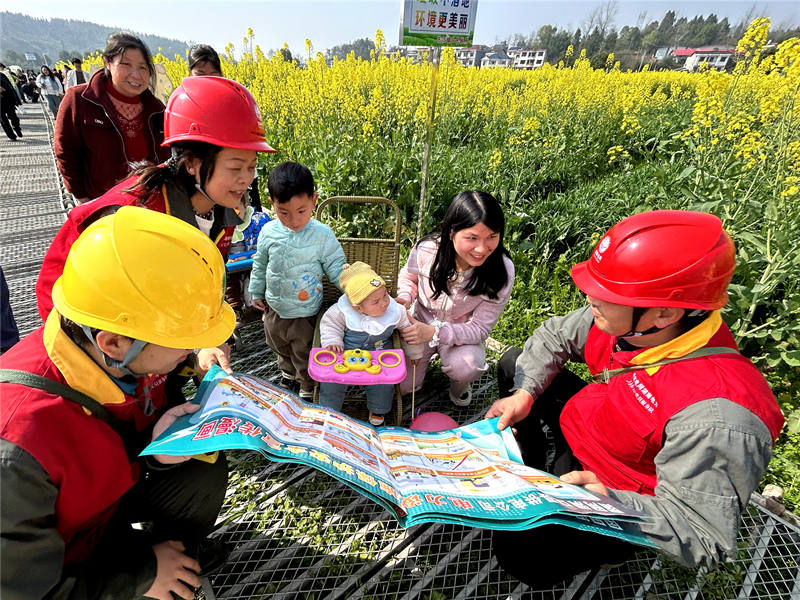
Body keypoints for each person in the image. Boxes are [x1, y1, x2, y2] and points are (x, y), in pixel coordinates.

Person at [486, 210, 785, 588]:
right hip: (591, 430)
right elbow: (554, 336)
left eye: (608, 295)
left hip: (612, 489)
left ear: (665, 311)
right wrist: (525, 394)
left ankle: (608, 550)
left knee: (521, 555)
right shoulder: (632, 323)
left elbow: (702, 530)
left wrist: (612, 503)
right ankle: (531, 461)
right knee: (516, 365)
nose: (590, 298)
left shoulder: (719, 417)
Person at [0, 207, 236, 599]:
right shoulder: (16, 445)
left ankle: (175, 559)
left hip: (99, 516)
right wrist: (142, 576)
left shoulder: (111, 352)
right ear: (113, 343)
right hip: (60, 570)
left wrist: (155, 453)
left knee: (199, 468)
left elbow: (103, 445)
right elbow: (22, 592)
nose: (190, 351)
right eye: (181, 341)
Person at [36, 74, 276, 324]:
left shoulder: (223, 207)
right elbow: (62, 291)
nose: (246, 179)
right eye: (236, 168)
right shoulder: (132, 216)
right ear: (192, 162)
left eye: (252, 167)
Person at [397, 191, 515, 406]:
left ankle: (458, 387)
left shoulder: (502, 270)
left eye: (492, 237)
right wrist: (405, 297)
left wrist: (435, 333)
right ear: (451, 232)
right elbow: (409, 277)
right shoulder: (427, 250)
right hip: (419, 323)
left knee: (467, 366)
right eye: (472, 238)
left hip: (461, 334)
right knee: (404, 387)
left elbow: (479, 329)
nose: (482, 249)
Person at [249, 161, 347, 400]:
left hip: (305, 311)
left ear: (314, 201)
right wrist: (256, 292)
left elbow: (336, 265)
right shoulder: (268, 232)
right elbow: (260, 264)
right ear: (272, 203)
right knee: (277, 344)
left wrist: (351, 288)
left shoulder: (322, 234)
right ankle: (287, 372)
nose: (293, 220)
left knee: (303, 350)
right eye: (284, 212)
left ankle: (305, 383)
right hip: (274, 307)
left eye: (301, 211)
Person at [55, 32, 169, 204]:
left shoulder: (157, 109)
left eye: (143, 67)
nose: (136, 75)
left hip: (150, 202)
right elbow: (65, 151)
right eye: (126, 64)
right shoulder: (79, 99)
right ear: (108, 63)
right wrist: (81, 196)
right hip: (101, 202)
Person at [318, 262, 423, 426]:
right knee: (332, 381)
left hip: (379, 355)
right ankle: (329, 410)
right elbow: (330, 325)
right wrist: (333, 342)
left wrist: (415, 353)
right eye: (376, 302)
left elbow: (408, 331)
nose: (384, 303)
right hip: (345, 355)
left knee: (383, 382)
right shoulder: (341, 311)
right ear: (358, 308)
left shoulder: (395, 311)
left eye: (385, 295)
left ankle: (378, 409)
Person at [0, 69, 22, 141]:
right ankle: (11, 135)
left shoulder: (2, 75)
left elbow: (10, 87)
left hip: (7, 99)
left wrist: (15, 99)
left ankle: (16, 127)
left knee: (13, 117)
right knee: (3, 120)